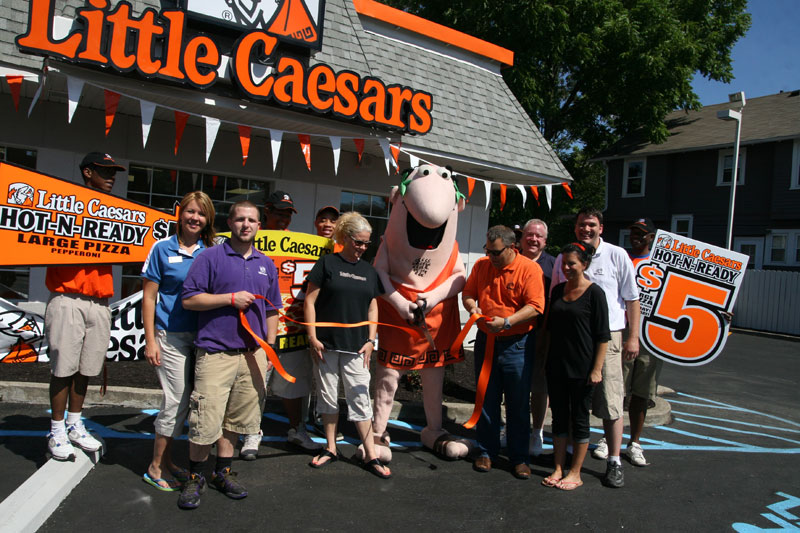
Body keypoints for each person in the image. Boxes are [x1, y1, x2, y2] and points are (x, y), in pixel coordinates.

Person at [177, 200, 280, 509]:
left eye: (252, 220)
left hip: (252, 355)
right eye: (239, 219)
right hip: (215, 353)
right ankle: (196, 477)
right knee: (205, 419)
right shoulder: (210, 257)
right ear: (229, 223)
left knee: (235, 420)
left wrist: (270, 347)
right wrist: (229, 299)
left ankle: (223, 472)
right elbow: (189, 300)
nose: (245, 225)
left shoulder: (267, 263)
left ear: (259, 225)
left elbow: (273, 308)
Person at [44, 152, 125, 460]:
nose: (111, 176)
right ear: (88, 172)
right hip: (68, 297)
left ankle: (75, 425)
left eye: (113, 171)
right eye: (105, 170)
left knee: (87, 368)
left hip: (100, 302)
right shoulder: (63, 204)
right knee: (63, 368)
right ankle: (56, 430)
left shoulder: (116, 212)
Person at [552, 208, 640, 488]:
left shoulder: (616, 255)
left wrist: (632, 337)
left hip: (609, 338)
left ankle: (614, 461)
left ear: (601, 227)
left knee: (610, 402)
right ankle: (566, 457)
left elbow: (632, 298)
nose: (586, 229)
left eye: (591, 225)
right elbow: (557, 297)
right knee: (570, 404)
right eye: (581, 225)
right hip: (570, 339)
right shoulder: (562, 258)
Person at [303, 212, 390, 478]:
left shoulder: (368, 271)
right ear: (346, 238)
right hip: (326, 345)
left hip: (356, 347)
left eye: (367, 243)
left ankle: (370, 454)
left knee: (360, 398)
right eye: (358, 242)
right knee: (328, 398)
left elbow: (373, 307)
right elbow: (309, 301)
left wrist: (371, 340)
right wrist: (312, 335)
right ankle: (331, 448)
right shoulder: (327, 263)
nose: (363, 248)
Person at [140, 191, 216, 491]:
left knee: (188, 402)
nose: (194, 218)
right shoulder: (161, 249)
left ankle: (170, 460)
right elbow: (148, 297)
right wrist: (150, 341)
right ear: (179, 213)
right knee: (175, 400)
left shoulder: (210, 250)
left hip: (203, 337)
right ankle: (155, 466)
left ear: (208, 219)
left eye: (201, 213)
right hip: (168, 336)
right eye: (190, 212)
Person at [240, 190, 321, 460]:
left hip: (291, 327)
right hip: (254, 327)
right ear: (267, 211)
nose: (284, 218)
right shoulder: (246, 240)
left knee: (294, 386)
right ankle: (251, 431)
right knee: (254, 384)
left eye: (288, 213)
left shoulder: (300, 244)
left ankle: (297, 429)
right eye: (279, 212)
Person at [462, 225, 545, 480]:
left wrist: (507, 322)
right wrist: (473, 307)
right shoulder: (481, 266)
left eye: (496, 252)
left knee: (517, 402)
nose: (491, 257)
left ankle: (519, 457)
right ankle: (487, 451)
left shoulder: (530, 269)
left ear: (512, 248)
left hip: (516, 344)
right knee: (486, 399)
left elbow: (535, 307)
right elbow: (468, 294)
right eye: (488, 251)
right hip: (486, 341)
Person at [541, 243, 610, 490]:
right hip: (557, 366)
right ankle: (559, 467)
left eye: (572, 263)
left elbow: (603, 336)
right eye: (564, 263)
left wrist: (596, 369)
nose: (567, 267)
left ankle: (575, 472)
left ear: (584, 264)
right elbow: (549, 329)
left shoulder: (595, 294)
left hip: (582, 368)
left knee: (579, 419)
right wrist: (544, 359)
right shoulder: (558, 290)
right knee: (558, 418)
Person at [622, 217, 662, 467]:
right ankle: (608, 438)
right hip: (622, 331)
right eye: (633, 232)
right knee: (616, 389)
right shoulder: (622, 258)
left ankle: (634, 442)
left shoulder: (661, 265)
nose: (636, 236)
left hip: (652, 336)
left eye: (642, 233)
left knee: (641, 392)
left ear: (651, 237)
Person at [518, 218, 556, 456]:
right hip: (512, 331)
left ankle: (537, 431)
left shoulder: (554, 265)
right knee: (513, 384)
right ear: (522, 237)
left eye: (538, 236)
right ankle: (511, 427)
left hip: (542, 333)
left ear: (545, 241)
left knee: (540, 386)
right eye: (529, 234)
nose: (533, 239)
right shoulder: (509, 258)